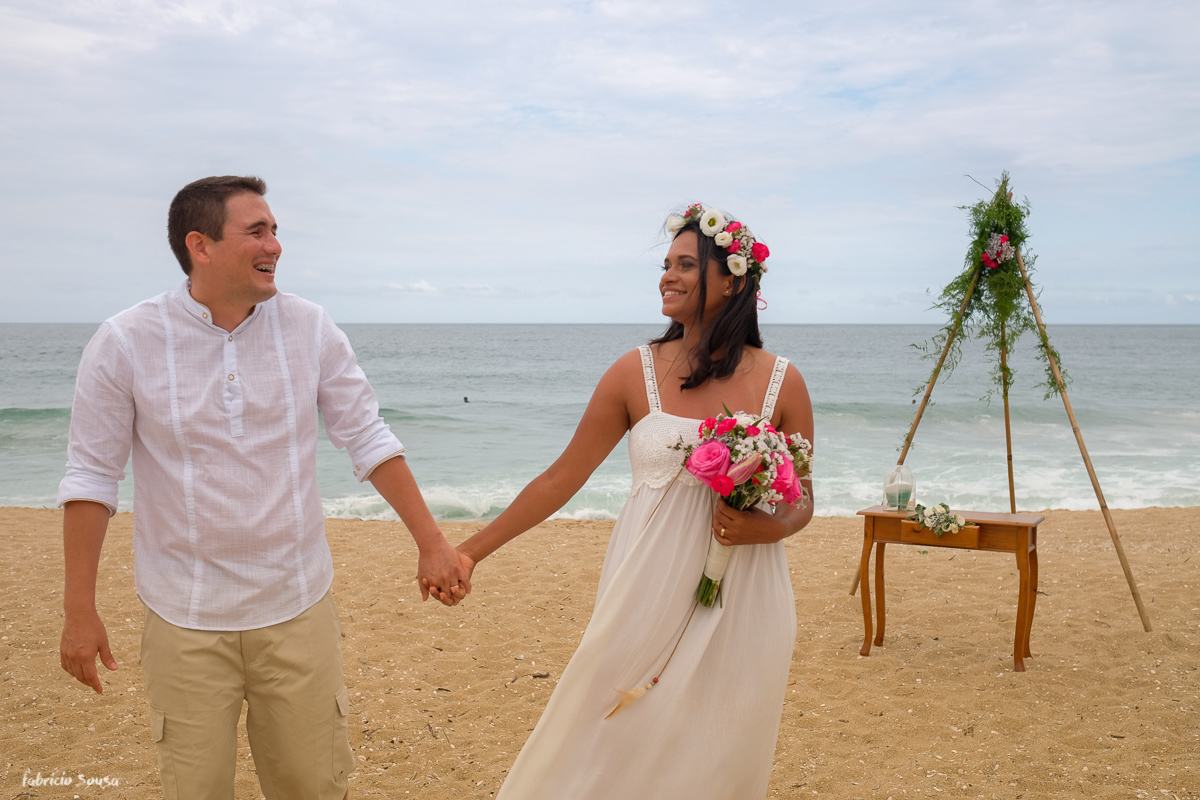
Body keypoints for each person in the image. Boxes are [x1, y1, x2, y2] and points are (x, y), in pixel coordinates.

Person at [57, 175, 470, 800]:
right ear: (200, 245)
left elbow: (367, 435)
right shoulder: (124, 341)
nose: (274, 244)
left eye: (275, 230)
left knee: (312, 786)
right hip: (184, 616)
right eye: (257, 231)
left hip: (297, 604)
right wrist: (78, 610)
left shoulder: (310, 327)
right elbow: (92, 476)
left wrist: (431, 541)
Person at [447, 204, 815, 798]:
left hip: (747, 596)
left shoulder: (782, 382)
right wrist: (469, 552)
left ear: (733, 279)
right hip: (644, 589)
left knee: (716, 754)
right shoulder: (632, 372)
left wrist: (767, 528)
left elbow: (802, 496)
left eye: (686, 265)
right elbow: (559, 479)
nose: (666, 275)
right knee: (603, 736)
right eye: (666, 265)